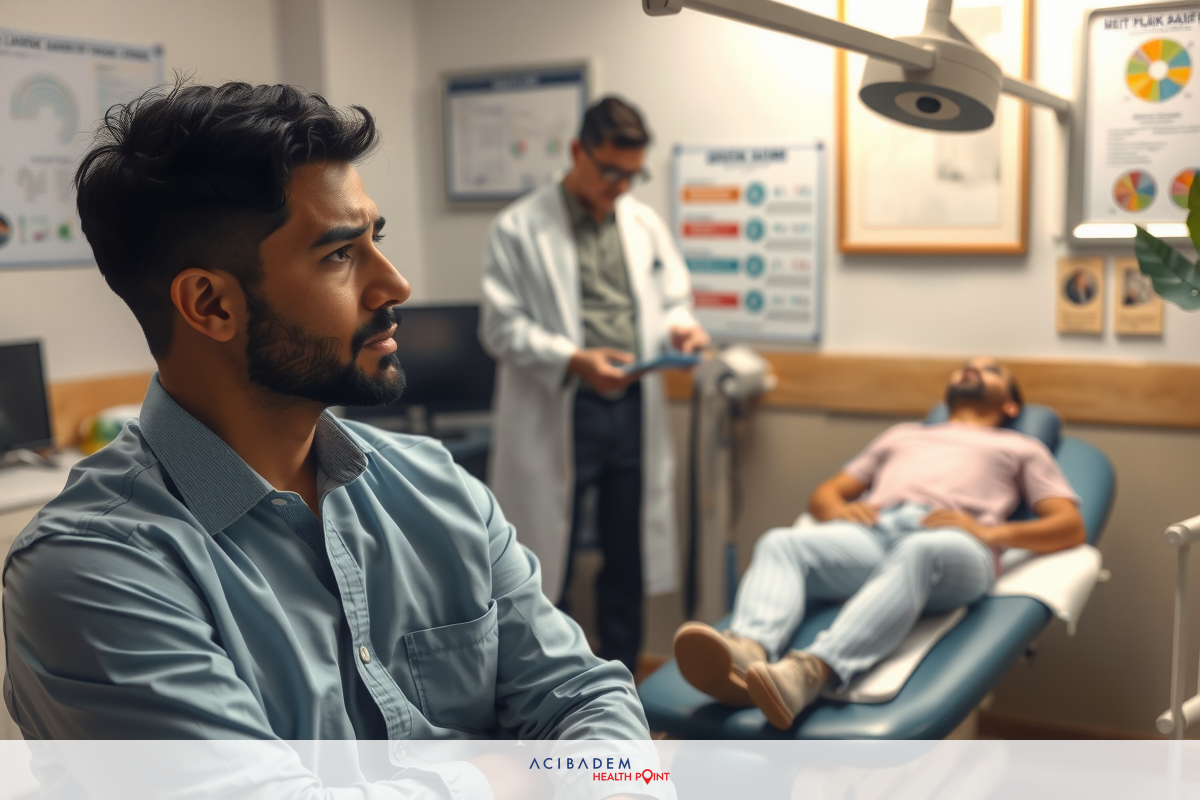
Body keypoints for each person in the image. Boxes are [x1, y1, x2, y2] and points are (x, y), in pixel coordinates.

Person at [2, 81, 652, 770]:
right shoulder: (92, 571)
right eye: (340, 254)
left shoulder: (437, 488)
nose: (395, 284)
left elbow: (587, 697)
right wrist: (507, 777)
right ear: (211, 305)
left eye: (376, 239)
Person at [672, 357, 1085, 729]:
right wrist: (840, 509)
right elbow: (825, 494)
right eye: (967, 366)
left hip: (954, 545)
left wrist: (990, 533)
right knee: (781, 542)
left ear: (1011, 406)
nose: (972, 368)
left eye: (991, 369)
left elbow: (1069, 526)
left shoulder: (1021, 447)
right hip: (878, 534)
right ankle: (747, 652)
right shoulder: (902, 435)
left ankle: (811, 672)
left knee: (920, 551)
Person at [480, 97, 708, 674]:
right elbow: (500, 327)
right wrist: (573, 359)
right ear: (577, 151)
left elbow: (674, 298)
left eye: (633, 174)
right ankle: (552, 685)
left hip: (631, 407)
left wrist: (682, 328)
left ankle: (622, 682)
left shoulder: (642, 223)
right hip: (563, 405)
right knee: (546, 561)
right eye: (610, 171)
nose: (621, 186)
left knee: (625, 553)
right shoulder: (519, 227)